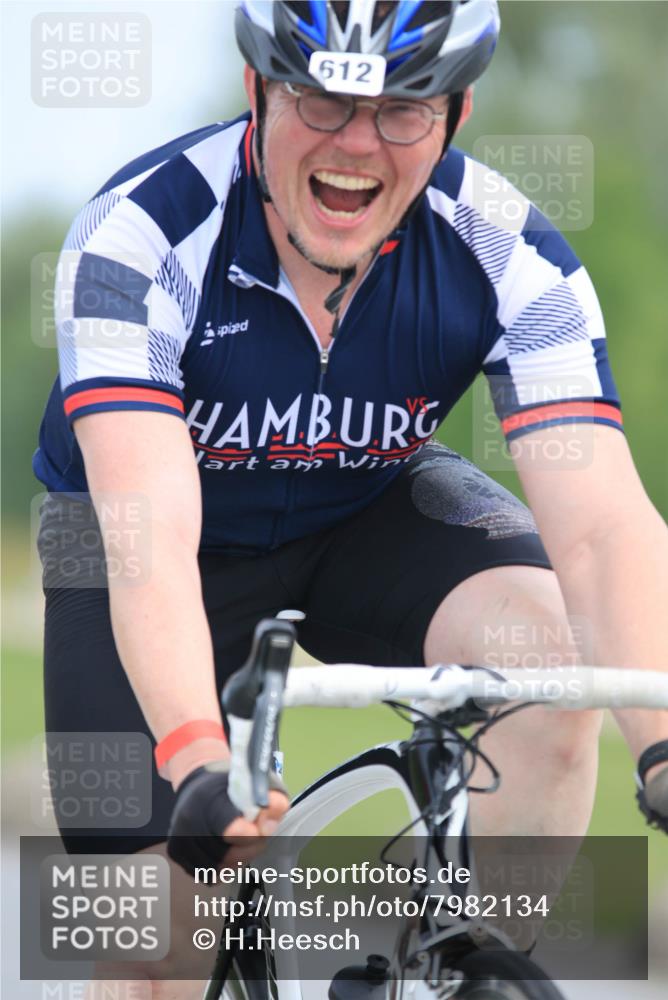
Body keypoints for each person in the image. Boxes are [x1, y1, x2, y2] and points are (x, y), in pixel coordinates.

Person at [33, 0, 667, 990]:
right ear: (255, 92)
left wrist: (662, 738)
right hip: (145, 544)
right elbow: (144, 532)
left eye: (401, 110)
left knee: (548, 667)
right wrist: (201, 758)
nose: (356, 146)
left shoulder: (508, 251)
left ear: (455, 114)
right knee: (152, 938)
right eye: (320, 100)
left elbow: (600, 529)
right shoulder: (141, 233)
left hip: (359, 507)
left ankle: (460, 964)